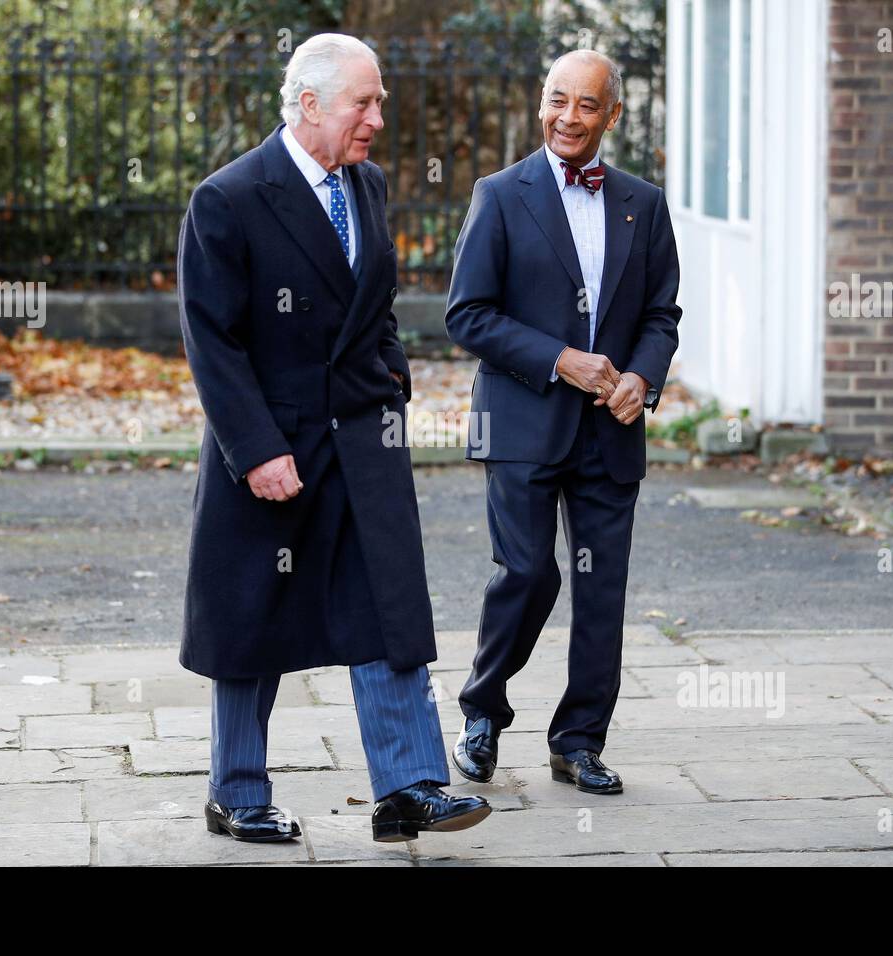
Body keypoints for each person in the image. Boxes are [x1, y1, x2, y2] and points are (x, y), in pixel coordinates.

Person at [176, 33, 491, 843]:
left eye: (379, 100)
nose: (378, 117)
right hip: (273, 446)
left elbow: (376, 306)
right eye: (366, 101)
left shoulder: (370, 185)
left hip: (365, 439)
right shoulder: (230, 197)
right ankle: (236, 792)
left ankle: (410, 788)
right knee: (253, 616)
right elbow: (213, 339)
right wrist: (256, 450)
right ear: (309, 104)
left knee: (386, 609)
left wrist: (393, 383)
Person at [444, 50, 682, 795]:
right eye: (557, 100)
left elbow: (660, 314)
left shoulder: (645, 201)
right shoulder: (499, 194)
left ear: (613, 115)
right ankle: (482, 711)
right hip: (522, 421)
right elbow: (468, 315)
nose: (568, 118)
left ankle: (578, 742)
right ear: (539, 102)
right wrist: (560, 360)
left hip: (611, 431)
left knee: (601, 588)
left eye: (586, 106)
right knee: (527, 570)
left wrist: (641, 379)